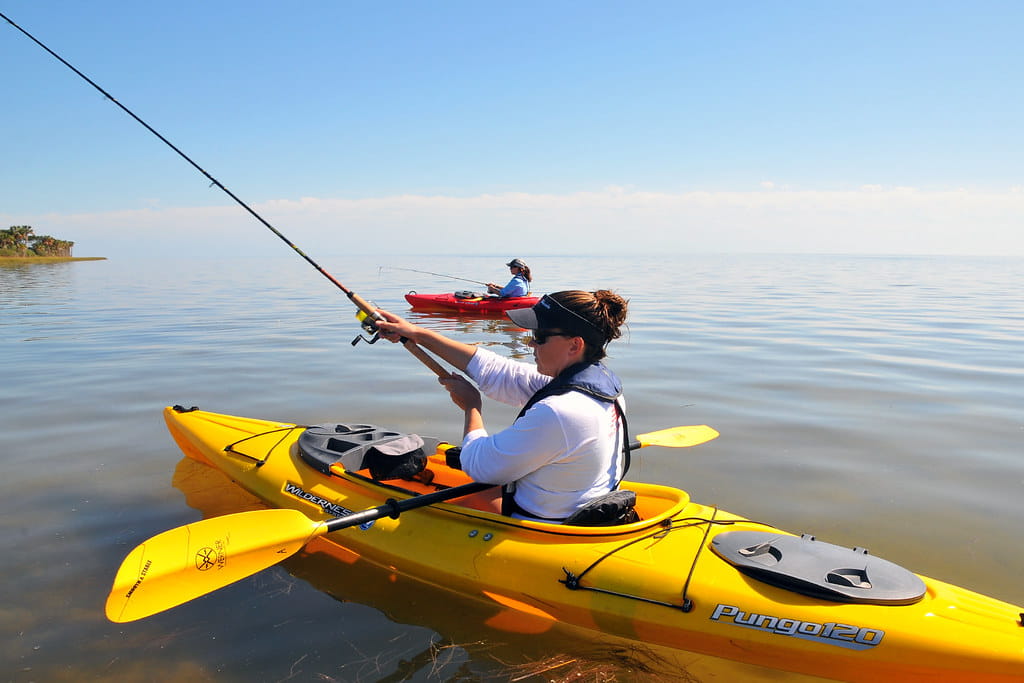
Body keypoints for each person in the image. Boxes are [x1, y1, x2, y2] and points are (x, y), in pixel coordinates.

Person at [375, 290, 631, 522]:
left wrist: (471, 406)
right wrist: (417, 334)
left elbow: (479, 467)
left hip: (544, 527)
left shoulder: (560, 411)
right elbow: (498, 371)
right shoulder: (604, 387)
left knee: (477, 492)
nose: (530, 344)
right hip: (576, 506)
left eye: (539, 337)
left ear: (575, 345)